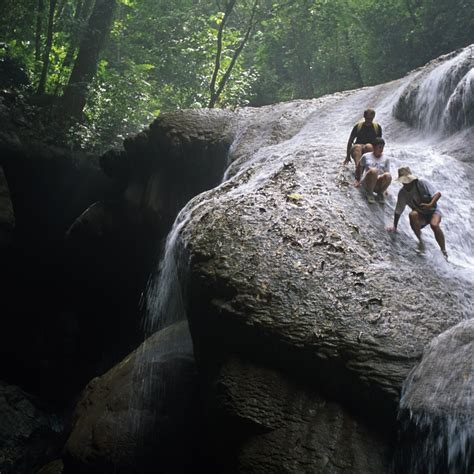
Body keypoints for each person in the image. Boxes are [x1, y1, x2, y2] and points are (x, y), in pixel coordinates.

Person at [387, 166, 447, 258]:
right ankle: (420, 241)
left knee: (434, 225)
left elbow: (438, 194)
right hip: (421, 216)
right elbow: (398, 211)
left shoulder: (421, 183)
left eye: (407, 180)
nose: (406, 183)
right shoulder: (402, 193)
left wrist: (430, 204)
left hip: (433, 211)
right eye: (404, 181)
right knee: (412, 214)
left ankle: (443, 251)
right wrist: (394, 226)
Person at [355, 137, 391, 203]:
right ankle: (370, 193)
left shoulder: (386, 159)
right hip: (368, 181)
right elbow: (359, 166)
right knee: (374, 171)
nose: (381, 149)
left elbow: (386, 172)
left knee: (388, 175)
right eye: (379, 147)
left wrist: (385, 189)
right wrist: (358, 180)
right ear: (374, 147)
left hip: (378, 183)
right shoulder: (366, 156)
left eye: (383, 147)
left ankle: (380, 193)